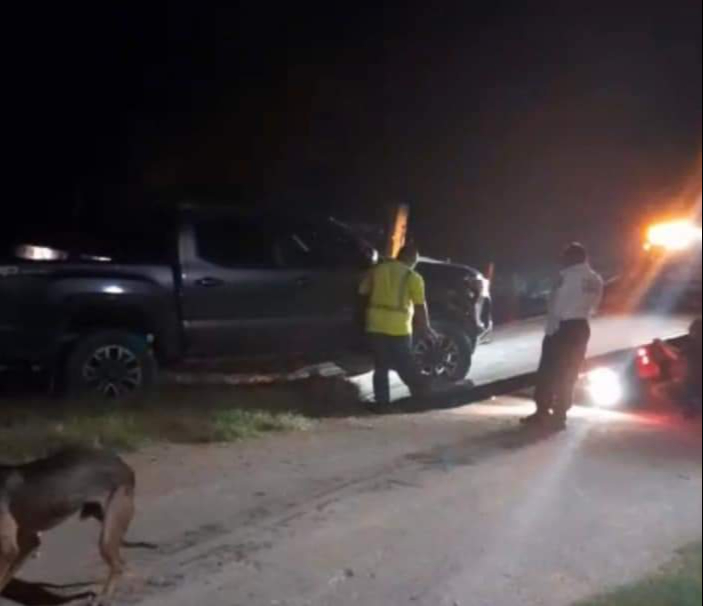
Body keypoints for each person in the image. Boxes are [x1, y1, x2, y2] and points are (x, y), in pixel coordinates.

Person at [524, 243, 604, 430]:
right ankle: (560, 415)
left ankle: (542, 411)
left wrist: (551, 331)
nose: (562, 261)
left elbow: (557, 306)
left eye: (565, 257)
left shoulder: (567, 277)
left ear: (572, 258)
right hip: (581, 326)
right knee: (569, 372)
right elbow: (594, 306)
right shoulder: (595, 279)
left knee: (548, 371)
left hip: (562, 327)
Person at [359, 243, 438, 408]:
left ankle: (382, 403)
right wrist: (425, 327)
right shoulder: (413, 277)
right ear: (412, 260)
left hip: (375, 325)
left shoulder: (377, 270)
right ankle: (421, 395)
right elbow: (419, 306)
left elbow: (362, 292)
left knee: (381, 367)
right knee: (406, 364)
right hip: (399, 328)